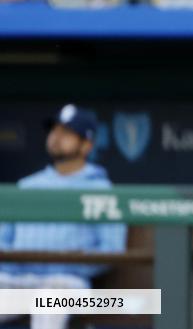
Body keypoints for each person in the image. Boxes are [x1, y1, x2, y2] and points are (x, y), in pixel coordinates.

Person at [0, 105, 127, 329]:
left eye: (67, 133)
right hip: (20, 281)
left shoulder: (101, 190)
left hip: (70, 285)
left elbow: (111, 249)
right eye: (54, 131)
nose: (57, 138)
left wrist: (68, 262)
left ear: (87, 145)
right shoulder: (27, 186)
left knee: (51, 297)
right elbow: (3, 239)